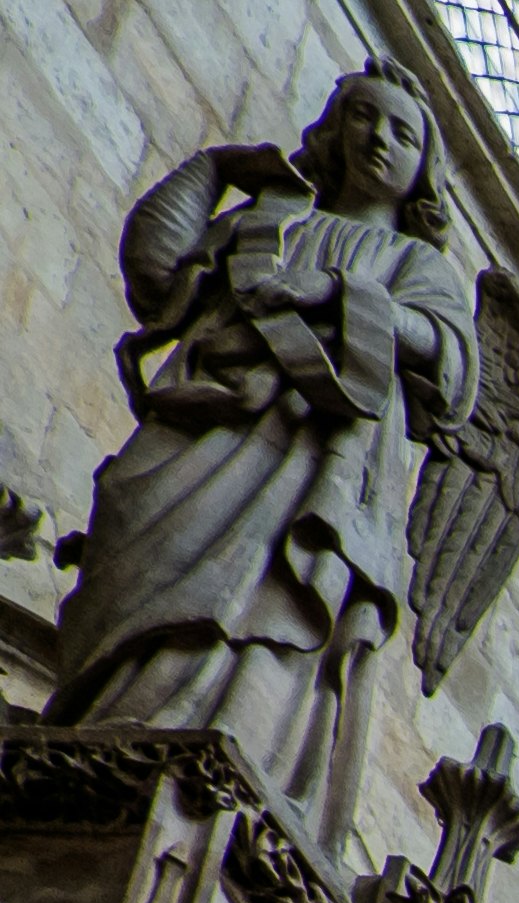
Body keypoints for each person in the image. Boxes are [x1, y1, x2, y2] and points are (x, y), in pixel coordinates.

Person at [49, 67, 481, 842]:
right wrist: (212, 170)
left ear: (426, 168)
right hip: (202, 435)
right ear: (334, 128)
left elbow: (450, 367)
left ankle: (220, 776)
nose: (380, 138)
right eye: (364, 118)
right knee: (135, 538)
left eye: (403, 132)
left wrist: (337, 293)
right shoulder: (267, 222)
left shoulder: (418, 267)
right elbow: (156, 278)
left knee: (268, 606)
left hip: (313, 472)